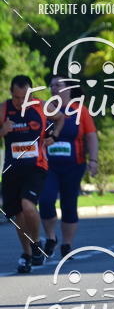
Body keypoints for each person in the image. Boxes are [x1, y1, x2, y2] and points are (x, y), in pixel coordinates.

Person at [0, 75, 61, 273]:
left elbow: (61, 118)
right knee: (18, 214)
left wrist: (54, 135)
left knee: (28, 206)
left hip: (36, 166)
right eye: (17, 98)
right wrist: (3, 130)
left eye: (25, 97)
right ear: (11, 94)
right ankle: (26, 254)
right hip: (12, 169)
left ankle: (36, 246)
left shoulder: (41, 106)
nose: (21, 102)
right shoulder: (4, 109)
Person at [39, 75, 98, 259]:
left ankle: (67, 245)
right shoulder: (46, 109)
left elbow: (91, 136)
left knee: (69, 205)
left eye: (58, 85)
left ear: (68, 88)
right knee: (46, 201)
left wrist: (93, 160)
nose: (54, 88)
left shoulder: (81, 111)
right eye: (52, 85)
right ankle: (51, 238)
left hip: (74, 166)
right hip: (48, 166)